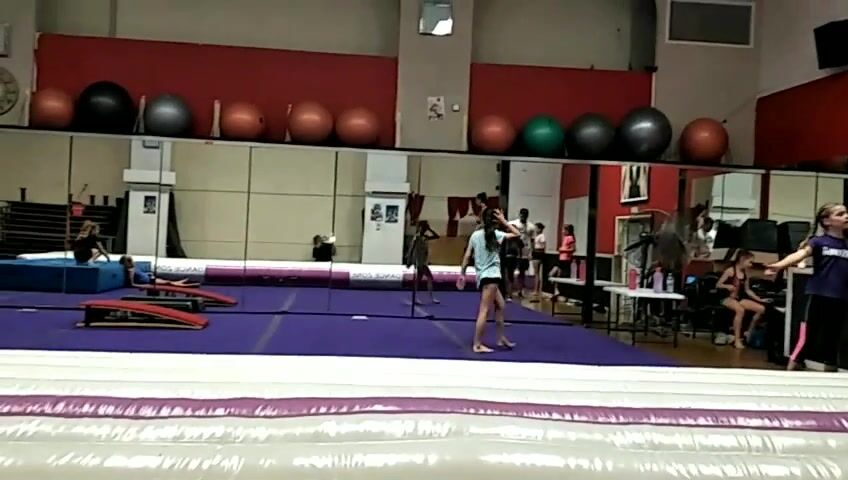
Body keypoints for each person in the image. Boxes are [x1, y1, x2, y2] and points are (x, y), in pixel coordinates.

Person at [766, 203, 848, 371]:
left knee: (833, 338)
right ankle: (791, 370)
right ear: (827, 221)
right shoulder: (818, 242)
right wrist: (780, 265)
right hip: (819, 294)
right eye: (840, 214)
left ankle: (831, 374)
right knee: (809, 335)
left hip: (841, 297)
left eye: (846, 213)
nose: (846, 216)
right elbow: (800, 254)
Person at [457, 208, 521, 353]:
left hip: (486, 276)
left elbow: (467, 256)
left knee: (501, 305)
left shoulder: (476, 235)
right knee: (484, 310)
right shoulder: (495, 234)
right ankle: (477, 344)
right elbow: (517, 234)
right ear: (495, 221)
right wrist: (504, 221)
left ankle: (501, 338)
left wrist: (462, 273)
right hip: (490, 277)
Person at [716, 249, 767, 349]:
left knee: (761, 309)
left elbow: (748, 290)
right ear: (742, 259)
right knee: (740, 310)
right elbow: (718, 284)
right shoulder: (730, 271)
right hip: (727, 298)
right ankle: (737, 340)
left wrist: (759, 299)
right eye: (750, 262)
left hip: (739, 298)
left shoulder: (745, 273)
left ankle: (748, 332)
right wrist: (727, 286)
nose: (751, 265)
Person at [406, 220, 440, 304]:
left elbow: (437, 236)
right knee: (429, 277)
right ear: (421, 228)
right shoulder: (417, 237)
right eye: (424, 228)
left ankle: (415, 298)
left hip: (423, 261)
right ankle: (431, 298)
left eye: (426, 228)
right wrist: (409, 260)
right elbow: (411, 248)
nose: (425, 230)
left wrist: (430, 229)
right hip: (420, 262)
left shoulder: (425, 237)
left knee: (418, 280)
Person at [507, 208, 536, 299]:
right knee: (510, 271)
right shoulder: (513, 223)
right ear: (519, 214)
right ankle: (510, 291)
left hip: (524, 251)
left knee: (522, 272)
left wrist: (531, 252)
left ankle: (520, 291)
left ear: (527, 215)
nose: (523, 216)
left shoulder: (531, 226)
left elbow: (532, 240)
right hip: (514, 251)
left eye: (525, 215)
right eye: (522, 215)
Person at [119, 255, 198, 288]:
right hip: (148, 281)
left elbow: (140, 274)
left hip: (149, 278)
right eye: (129, 261)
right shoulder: (130, 270)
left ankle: (180, 282)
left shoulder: (134, 267)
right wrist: (145, 286)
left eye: (131, 260)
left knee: (167, 281)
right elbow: (132, 284)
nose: (132, 262)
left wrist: (148, 273)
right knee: (168, 283)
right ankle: (186, 285)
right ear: (126, 263)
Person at [530, 223, 546, 301]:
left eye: (536, 228)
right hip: (536, 254)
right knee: (536, 272)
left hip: (538, 254)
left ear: (540, 229)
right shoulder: (537, 236)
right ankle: (535, 289)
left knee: (537, 273)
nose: (535, 230)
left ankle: (536, 290)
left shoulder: (542, 236)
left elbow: (543, 246)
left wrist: (535, 250)